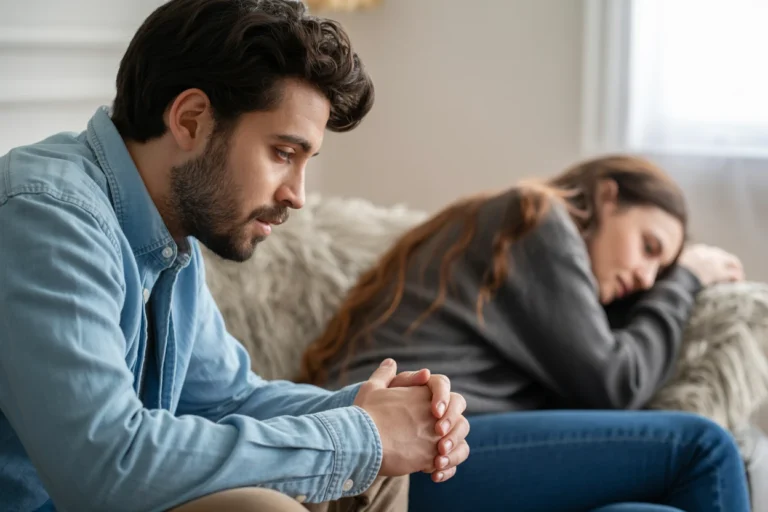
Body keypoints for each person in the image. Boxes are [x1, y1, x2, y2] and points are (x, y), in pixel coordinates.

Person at [0, 1, 471, 511]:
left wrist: (376, 412)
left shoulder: (167, 238)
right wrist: (362, 435)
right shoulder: (46, 216)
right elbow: (106, 465)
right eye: (283, 153)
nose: (298, 195)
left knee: (373, 469)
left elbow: (230, 400)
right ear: (191, 120)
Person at [299, 155, 751, 511]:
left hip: (430, 444)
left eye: (660, 271)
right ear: (607, 197)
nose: (646, 277)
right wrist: (685, 280)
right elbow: (618, 382)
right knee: (705, 447)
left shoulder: (527, 242)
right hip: (397, 451)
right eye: (648, 247)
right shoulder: (535, 218)